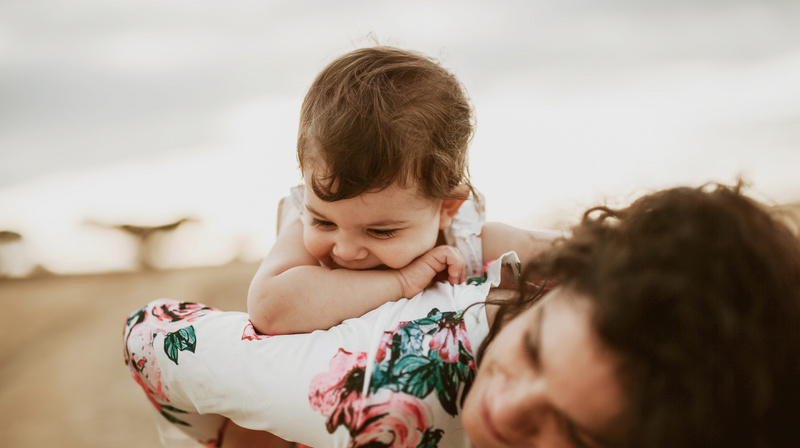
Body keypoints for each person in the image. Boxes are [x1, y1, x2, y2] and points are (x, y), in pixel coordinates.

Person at [124, 182, 800, 447]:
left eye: (567, 429)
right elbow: (152, 338)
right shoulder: (400, 387)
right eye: (531, 351)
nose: (505, 410)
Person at [246, 46, 556, 335]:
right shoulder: (301, 221)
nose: (345, 250)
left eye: (380, 231)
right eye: (324, 223)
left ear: (447, 208)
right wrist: (401, 281)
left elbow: (573, 252)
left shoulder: (466, 240)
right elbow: (269, 310)